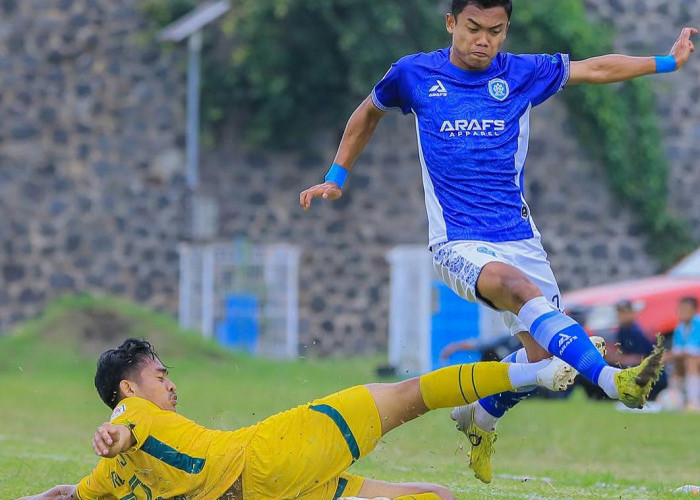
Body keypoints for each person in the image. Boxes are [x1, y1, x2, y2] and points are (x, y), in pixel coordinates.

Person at [299, 0, 690, 483]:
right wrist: (336, 176)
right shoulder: (414, 73)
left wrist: (667, 61)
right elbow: (367, 113)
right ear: (451, 24)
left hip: (519, 237)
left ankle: (481, 416)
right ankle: (614, 381)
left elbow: (594, 67)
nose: (483, 40)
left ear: (506, 31)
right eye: (473, 28)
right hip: (457, 241)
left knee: (544, 357)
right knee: (517, 289)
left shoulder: (522, 73)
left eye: (496, 31)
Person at [16, 337, 578, 500]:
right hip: (274, 452)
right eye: (160, 373)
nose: (171, 384)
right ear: (128, 385)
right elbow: (122, 429)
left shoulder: (111, 482)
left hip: (270, 492)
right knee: (411, 395)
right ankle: (527, 375)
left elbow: (72, 494)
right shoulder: (132, 411)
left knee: (430, 498)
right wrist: (114, 435)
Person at [665, 296, 700, 411]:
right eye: (680, 309)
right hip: (688, 359)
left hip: (695, 360)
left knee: (691, 361)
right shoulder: (679, 328)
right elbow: (678, 350)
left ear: (694, 311)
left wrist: (666, 356)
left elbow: (692, 351)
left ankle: (693, 402)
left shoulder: (698, 324)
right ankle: (676, 398)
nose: (682, 312)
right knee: (677, 363)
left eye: (685, 309)